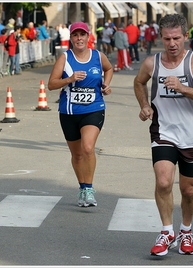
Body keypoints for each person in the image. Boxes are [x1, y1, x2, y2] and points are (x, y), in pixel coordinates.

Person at [133, 14, 193, 256]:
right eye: (167, 38)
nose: (172, 43)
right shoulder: (152, 63)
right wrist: (144, 105)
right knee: (163, 181)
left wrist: (182, 88)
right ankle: (167, 231)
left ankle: (186, 231)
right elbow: (139, 83)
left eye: (176, 38)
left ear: (185, 37)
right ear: (160, 37)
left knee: (188, 189)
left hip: (191, 134)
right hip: (163, 132)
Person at [47, 21, 113, 207]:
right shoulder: (65, 58)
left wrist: (106, 85)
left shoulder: (98, 56)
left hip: (94, 109)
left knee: (88, 148)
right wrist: (69, 79)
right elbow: (51, 84)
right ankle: (82, 187)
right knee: (76, 155)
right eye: (75, 35)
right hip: (68, 112)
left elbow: (109, 69)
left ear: (88, 36)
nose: (79, 39)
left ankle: (90, 188)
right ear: (71, 38)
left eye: (82, 35)